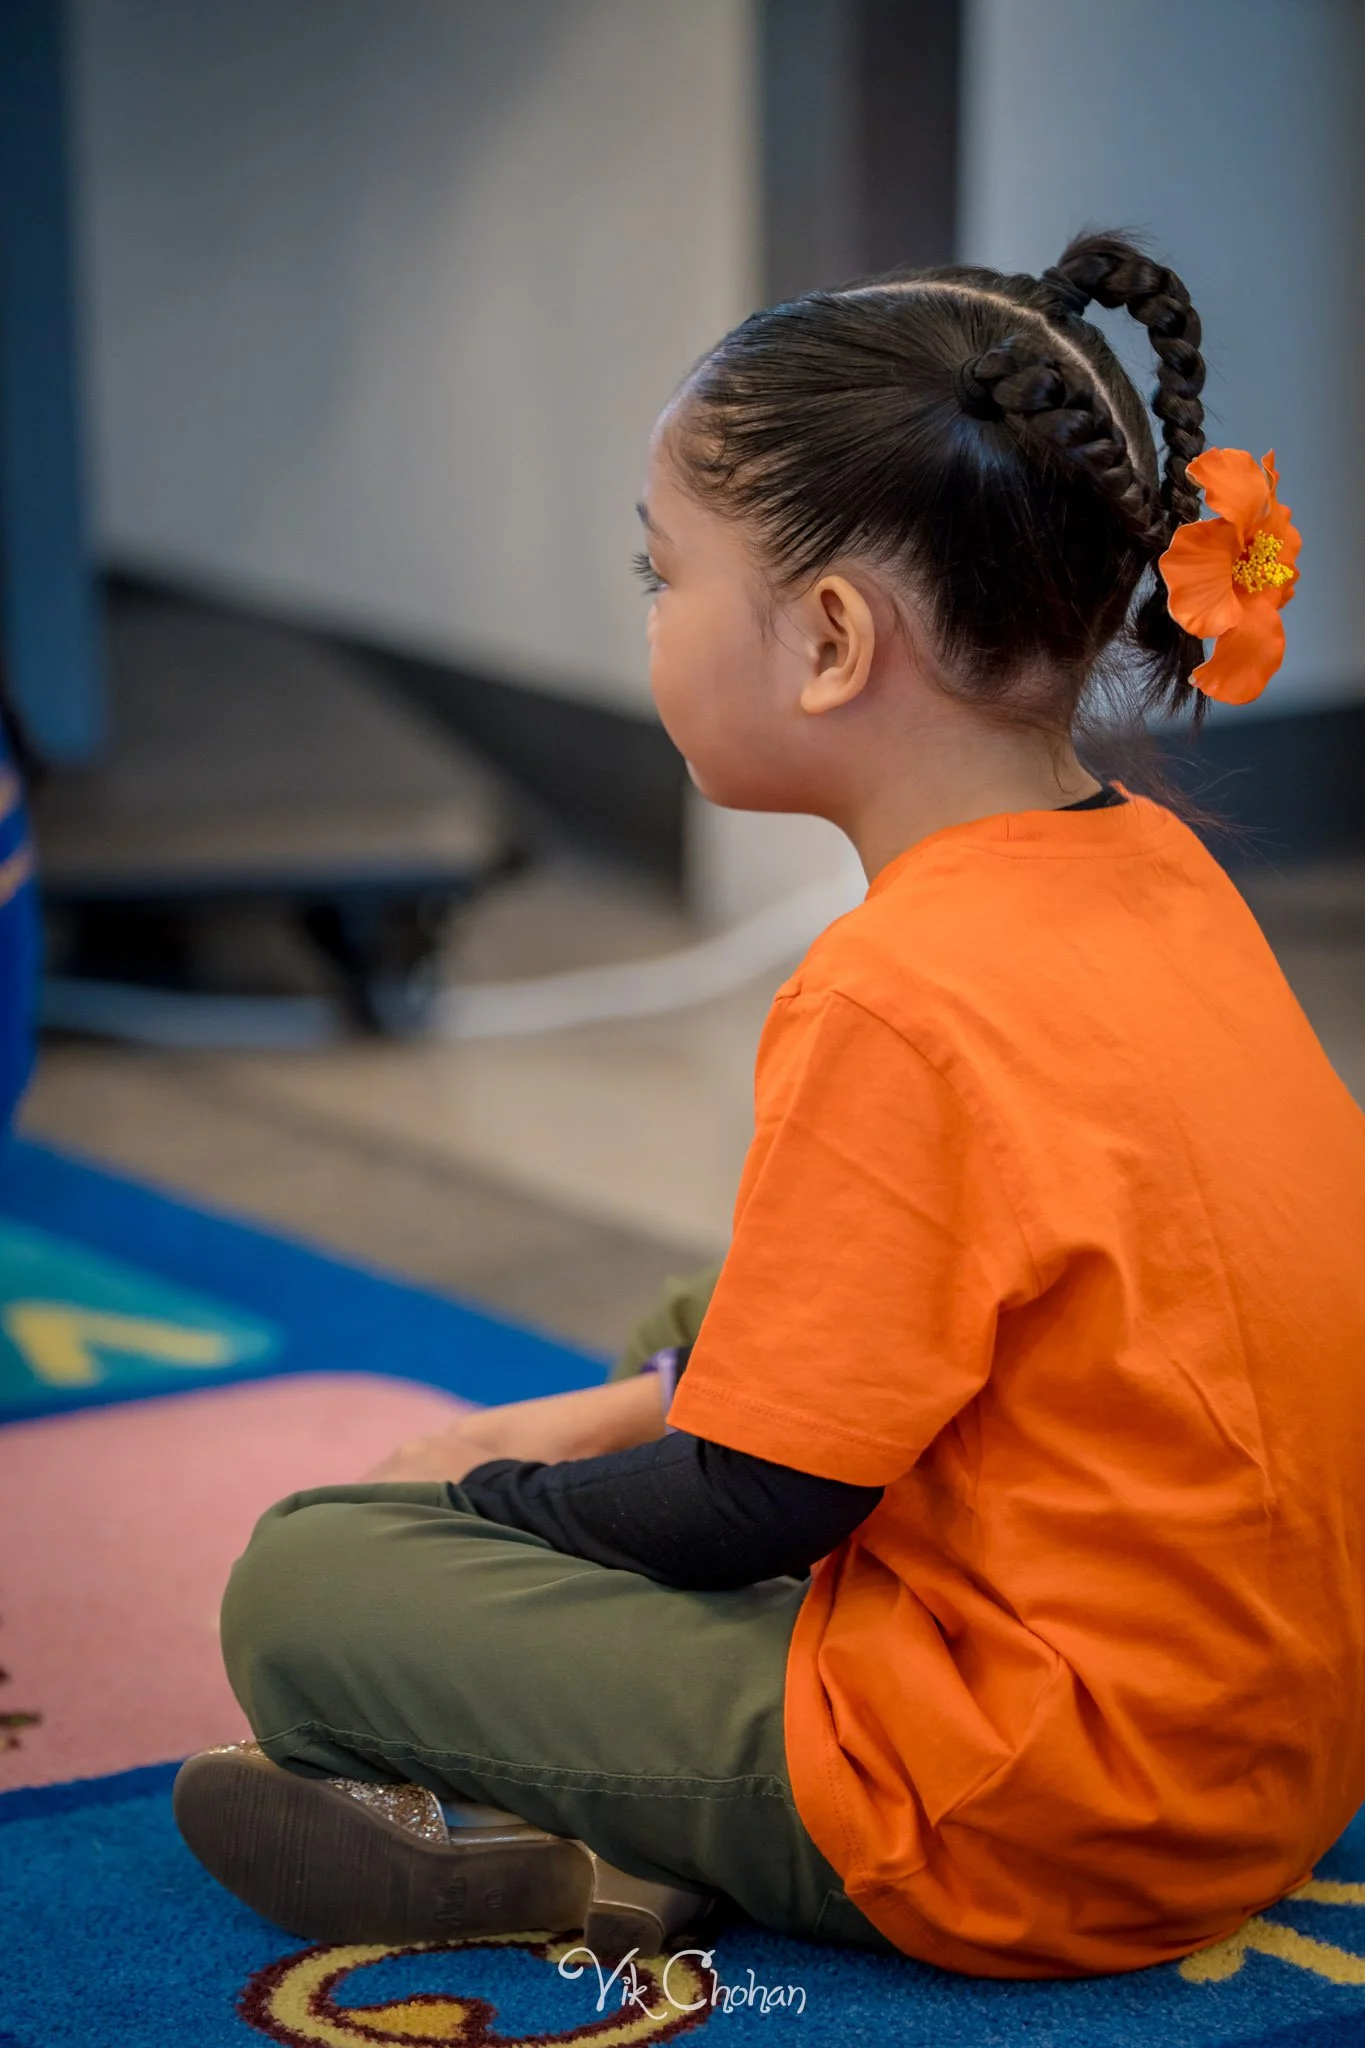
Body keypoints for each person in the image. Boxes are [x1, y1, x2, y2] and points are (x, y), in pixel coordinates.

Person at [174, 232, 1365, 1980]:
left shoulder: (896, 989)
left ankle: (619, 1824)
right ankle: (638, 1780)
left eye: (658, 576)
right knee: (710, 1311)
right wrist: (622, 1422)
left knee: (310, 1586)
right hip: (1277, 1739)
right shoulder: (1160, 870)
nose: (647, 616)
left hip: (1049, 1810)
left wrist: (486, 1483)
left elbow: (752, 1507)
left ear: (826, 639)